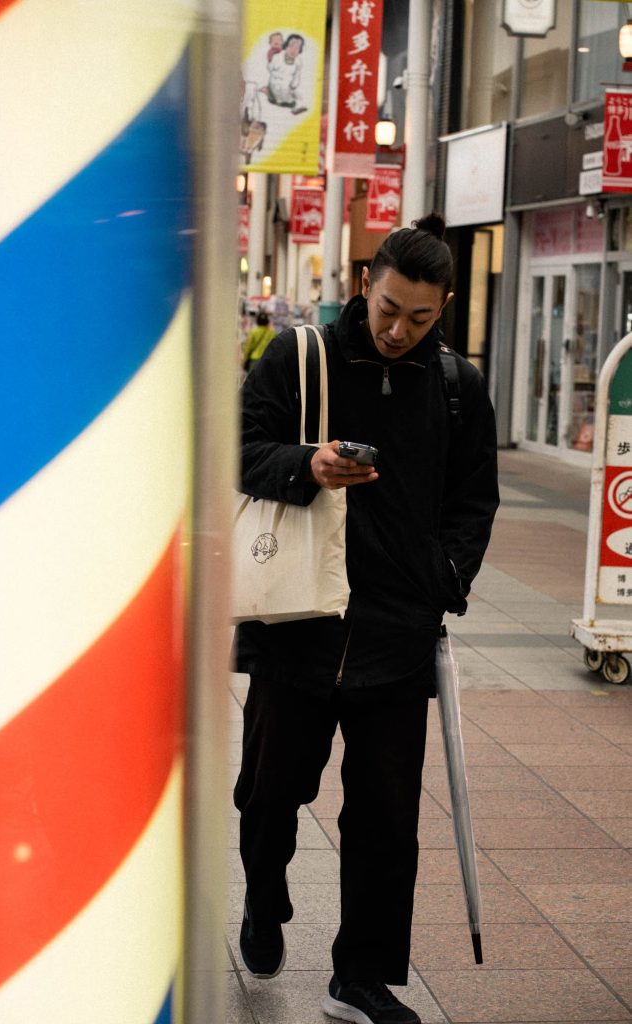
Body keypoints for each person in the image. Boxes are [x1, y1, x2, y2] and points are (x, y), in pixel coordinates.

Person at [233, 213, 499, 1024]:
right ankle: (264, 897)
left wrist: (445, 582)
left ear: (443, 308)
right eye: (387, 308)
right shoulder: (300, 356)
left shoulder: (456, 386)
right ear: (363, 285)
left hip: (397, 633)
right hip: (297, 621)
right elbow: (238, 450)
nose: (397, 330)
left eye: (419, 318)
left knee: (385, 819)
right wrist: (306, 466)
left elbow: (473, 499)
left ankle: (361, 976)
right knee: (270, 793)